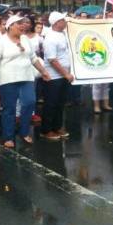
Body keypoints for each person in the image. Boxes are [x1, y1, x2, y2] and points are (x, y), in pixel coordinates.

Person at [0, 15, 50, 148]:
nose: (23, 26)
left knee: (29, 102)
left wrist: (44, 71)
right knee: (9, 108)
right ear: (10, 26)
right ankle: (8, 137)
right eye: (19, 24)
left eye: (23, 24)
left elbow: (33, 58)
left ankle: (24, 131)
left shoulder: (25, 39)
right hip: (7, 80)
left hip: (26, 77)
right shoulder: (1, 41)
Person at [41, 12, 73, 141]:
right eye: (63, 20)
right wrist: (65, 73)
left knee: (60, 103)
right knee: (51, 104)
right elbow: (52, 59)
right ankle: (46, 130)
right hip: (54, 77)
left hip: (64, 76)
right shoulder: (50, 38)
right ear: (56, 23)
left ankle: (57, 127)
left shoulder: (62, 34)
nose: (65, 22)